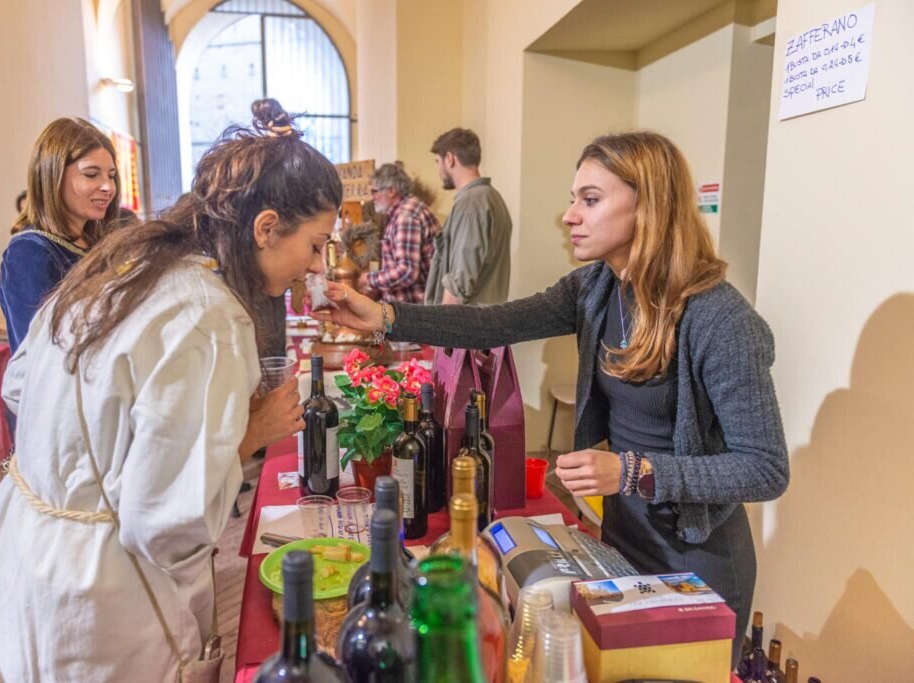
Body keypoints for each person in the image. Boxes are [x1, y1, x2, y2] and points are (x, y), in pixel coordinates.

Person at [314, 131, 789, 664]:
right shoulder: (595, 289)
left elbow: (765, 468)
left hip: (699, 564)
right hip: (624, 540)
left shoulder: (721, 319)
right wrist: (386, 317)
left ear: (649, 205)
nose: (569, 216)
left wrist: (633, 472)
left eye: (590, 199)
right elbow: (495, 321)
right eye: (573, 199)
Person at [0, 98, 337, 681]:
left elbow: (19, 384)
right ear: (265, 228)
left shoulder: (132, 265)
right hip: (102, 592)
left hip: (28, 547)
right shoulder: (207, 314)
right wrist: (249, 435)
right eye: (314, 244)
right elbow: (165, 523)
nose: (317, 265)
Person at [0, 118, 120, 353]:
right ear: (52, 176)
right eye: (92, 174)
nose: (108, 187)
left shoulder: (98, 240)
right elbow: (40, 352)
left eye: (111, 175)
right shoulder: (29, 253)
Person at [426, 127, 512, 305]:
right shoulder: (491, 197)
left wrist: (439, 328)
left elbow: (459, 282)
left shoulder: (471, 203)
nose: (439, 171)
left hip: (466, 326)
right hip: (484, 321)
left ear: (450, 159)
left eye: (437, 161)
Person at [358, 162, 439, 303]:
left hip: (414, 313)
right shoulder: (408, 209)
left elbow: (406, 271)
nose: (372, 197)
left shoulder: (405, 217)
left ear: (391, 191)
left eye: (375, 191)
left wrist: (368, 279)